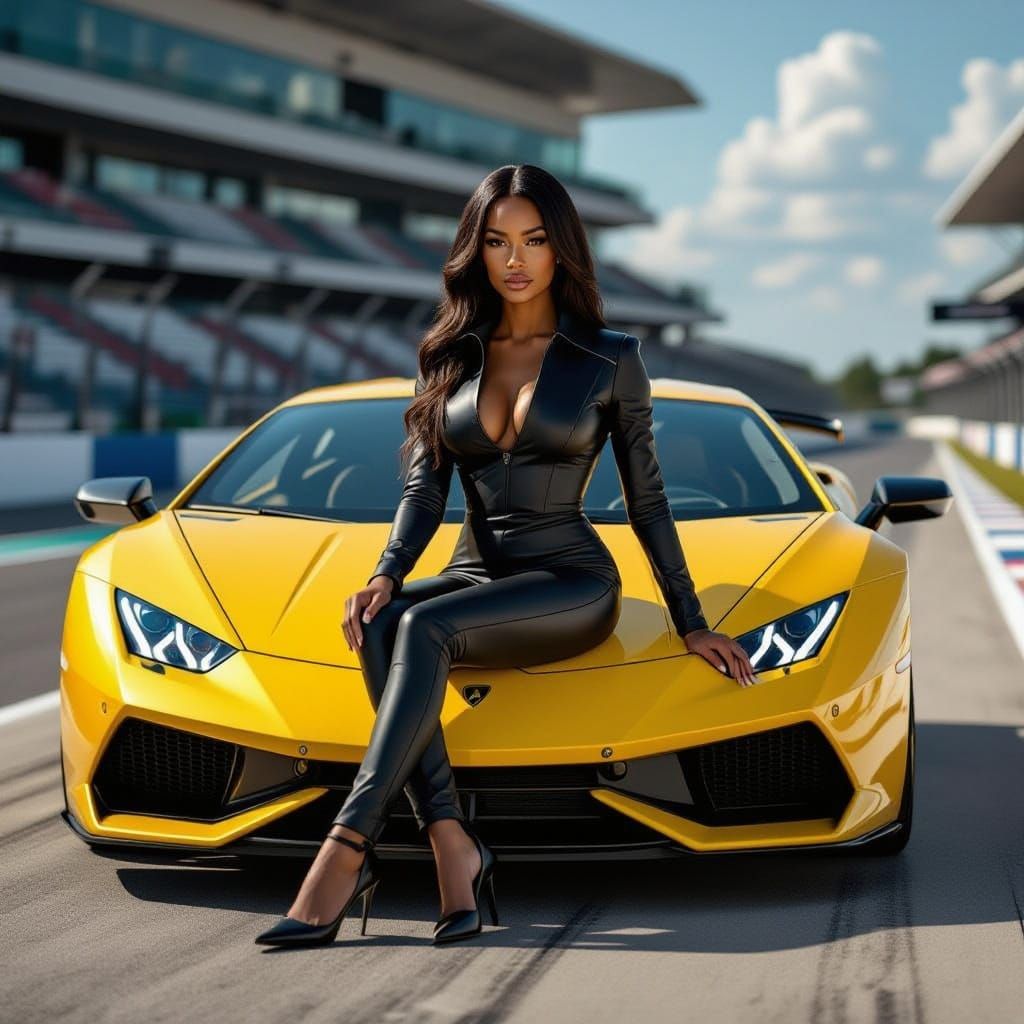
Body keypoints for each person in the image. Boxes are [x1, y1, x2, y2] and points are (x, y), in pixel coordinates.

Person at [255, 164, 757, 948]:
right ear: (476, 251)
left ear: (562, 249)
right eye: (496, 241)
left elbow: (647, 500)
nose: (515, 259)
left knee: (423, 629)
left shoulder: (609, 357)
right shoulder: (449, 354)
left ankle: (344, 850)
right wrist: (386, 573)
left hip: (570, 579)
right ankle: (453, 844)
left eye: (533, 239)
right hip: (472, 572)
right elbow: (424, 490)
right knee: (384, 621)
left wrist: (691, 620)